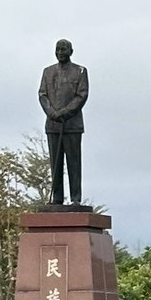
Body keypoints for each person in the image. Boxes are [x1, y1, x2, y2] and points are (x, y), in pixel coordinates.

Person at [40, 38, 88, 205]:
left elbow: (82, 95)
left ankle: (76, 198)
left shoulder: (80, 71)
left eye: (64, 50)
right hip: (53, 125)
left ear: (71, 52)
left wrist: (66, 112)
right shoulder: (47, 72)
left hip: (72, 125)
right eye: (58, 49)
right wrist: (52, 113)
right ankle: (57, 198)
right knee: (56, 164)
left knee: (74, 164)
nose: (60, 53)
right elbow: (42, 95)